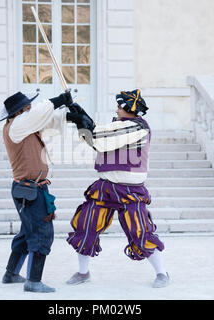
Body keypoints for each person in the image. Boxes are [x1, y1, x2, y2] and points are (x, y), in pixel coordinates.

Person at [64, 89, 170, 288]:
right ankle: (83, 272)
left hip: (130, 190)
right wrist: (81, 118)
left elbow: (100, 140)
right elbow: (93, 140)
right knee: (86, 226)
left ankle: (162, 273)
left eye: (120, 106)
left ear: (130, 108)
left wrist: (82, 120)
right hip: (105, 187)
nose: (117, 109)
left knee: (140, 231)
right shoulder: (117, 125)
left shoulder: (137, 127)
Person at [0, 90, 72, 293]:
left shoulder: (24, 126)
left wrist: (68, 111)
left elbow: (47, 121)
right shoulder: (15, 127)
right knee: (41, 232)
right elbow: (38, 114)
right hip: (28, 189)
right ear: (19, 111)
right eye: (27, 107)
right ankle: (33, 281)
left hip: (33, 188)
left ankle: (11, 273)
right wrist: (57, 100)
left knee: (27, 232)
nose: (30, 108)